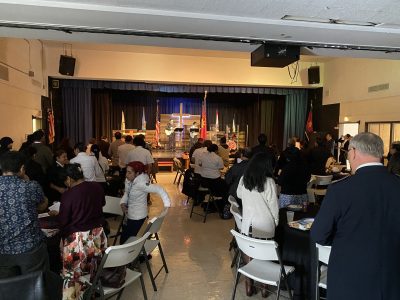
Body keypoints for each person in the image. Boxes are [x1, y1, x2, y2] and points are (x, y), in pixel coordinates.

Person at [311, 132, 400, 300]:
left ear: (353, 152)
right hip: (392, 278)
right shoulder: (397, 184)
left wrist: (342, 238)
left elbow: (318, 235)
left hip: (349, 279)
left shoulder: (340, 190)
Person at [58, 163, 107, 299]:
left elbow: (63, 221)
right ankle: (90, 293)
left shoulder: (68, 195)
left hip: (78, 239)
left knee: (72, 274)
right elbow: (102, 204)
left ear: (69, 178)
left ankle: (73, 297)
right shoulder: (96, 186)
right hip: (97, 235)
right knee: (92, 268)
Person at [236, 151, 279, 296]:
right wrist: (276, 223)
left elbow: (239, 195)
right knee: (263, 253)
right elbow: (274, 207)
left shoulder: (244, 179)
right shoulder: (269, 182)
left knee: (249, 251)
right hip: (265, 227)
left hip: (247, 225)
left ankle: (249, 285)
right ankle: (264, 287)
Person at [0, 151, 49, 279]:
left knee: (9, 290)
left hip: (2, 250)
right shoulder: (30, 186)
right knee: (36, 288)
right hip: (30, 248)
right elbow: (42, 205)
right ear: (22, 168)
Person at [119, 161, 171, 244]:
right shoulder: (129, 180)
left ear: (137, 173)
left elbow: (159, 189)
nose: (126, 175)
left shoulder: (141, 184)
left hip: (137, 216)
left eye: (129, 172)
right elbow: (127, 193)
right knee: (124, 238)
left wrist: (167, 205)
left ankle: (137, 253)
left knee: (125, 241)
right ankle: (138, 253)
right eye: (126, 172)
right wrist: (123, 203)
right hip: (130, 214)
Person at [197, 143, 229, 213]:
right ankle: (221, 204)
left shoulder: (203, 155)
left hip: (203, 181)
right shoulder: (218, 158)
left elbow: (200, 164)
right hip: (214, 182)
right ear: (216, 150)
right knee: (225, 187)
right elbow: (221, 167)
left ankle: (208, 203)